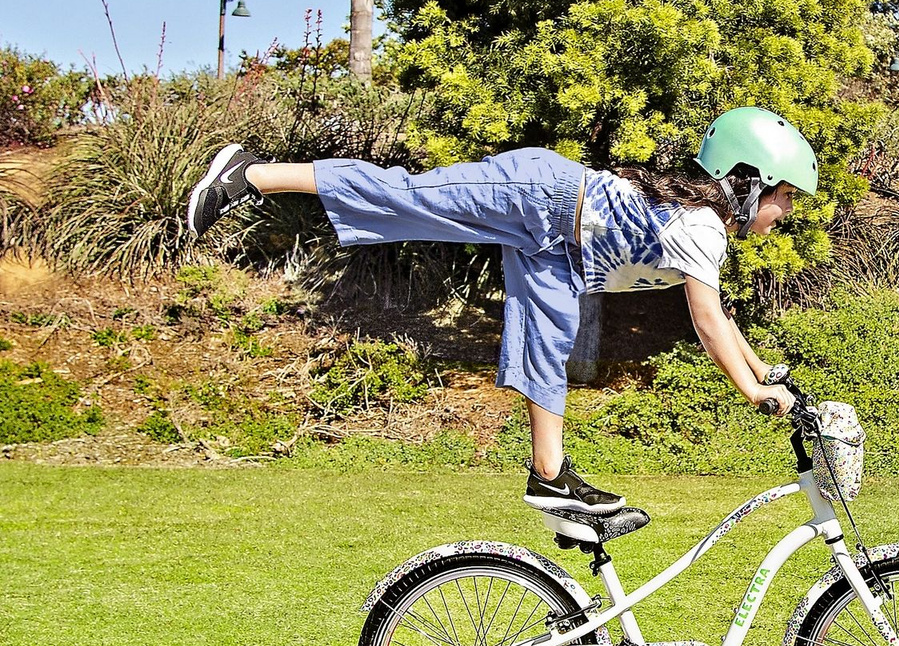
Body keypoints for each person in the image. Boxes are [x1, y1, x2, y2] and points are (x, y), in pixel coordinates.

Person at [187, 107, 818, 514]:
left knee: (551, 337)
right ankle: (253, 173)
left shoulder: (703, 231)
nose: (786, 212)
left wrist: (763, 372)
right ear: (748, 180)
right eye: (784, 197)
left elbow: (723, 318)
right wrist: (749, 390)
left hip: (558, 253)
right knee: (410, 197)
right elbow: (706, 321)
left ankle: (548, 473)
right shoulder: (702, 225)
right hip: (536, 194)